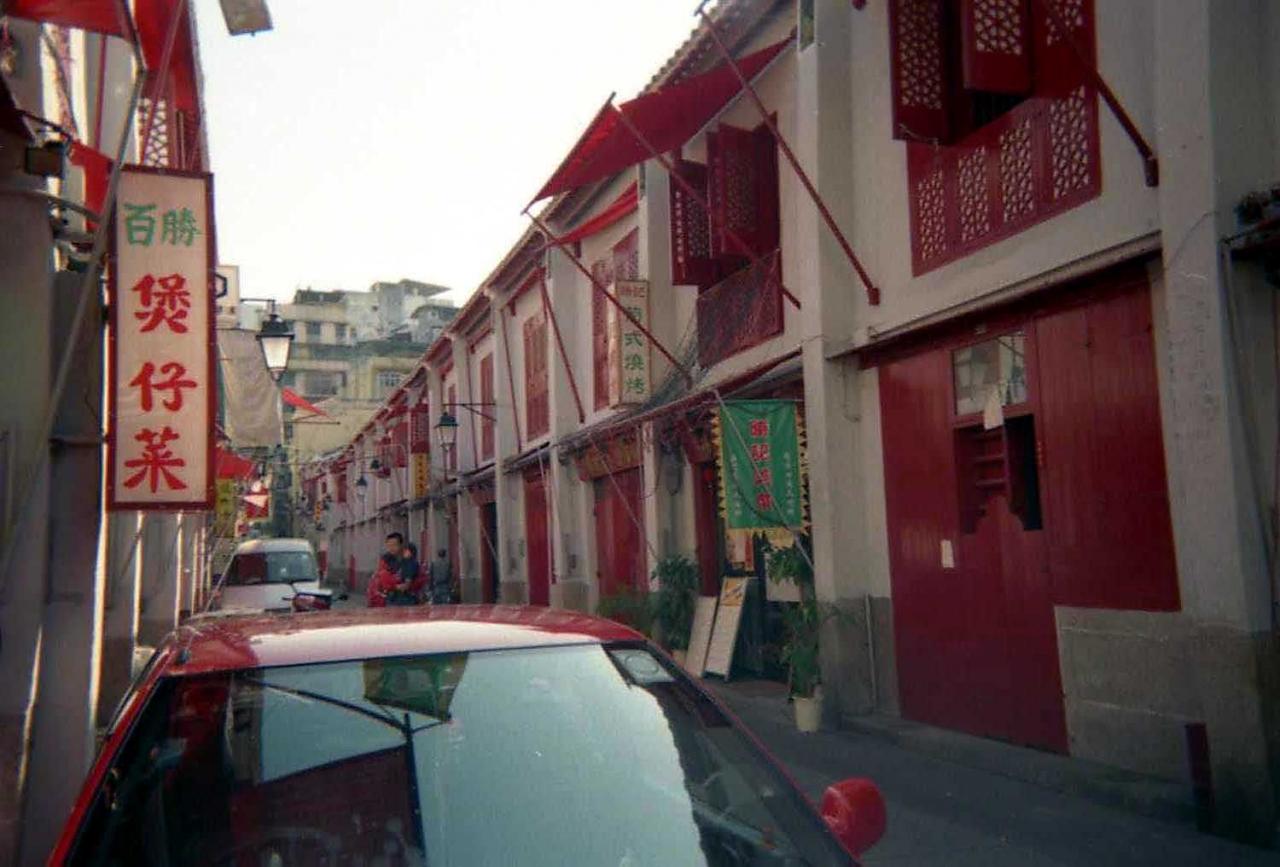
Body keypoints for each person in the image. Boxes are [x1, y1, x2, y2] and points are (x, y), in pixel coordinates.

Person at [366, 532, 405, 607]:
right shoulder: (386, 559)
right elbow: (381, 576)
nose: (391, 548)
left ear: (401, 545)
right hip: (388, 596)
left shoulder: (407, 559)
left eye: (394, 545)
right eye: (389, 546)